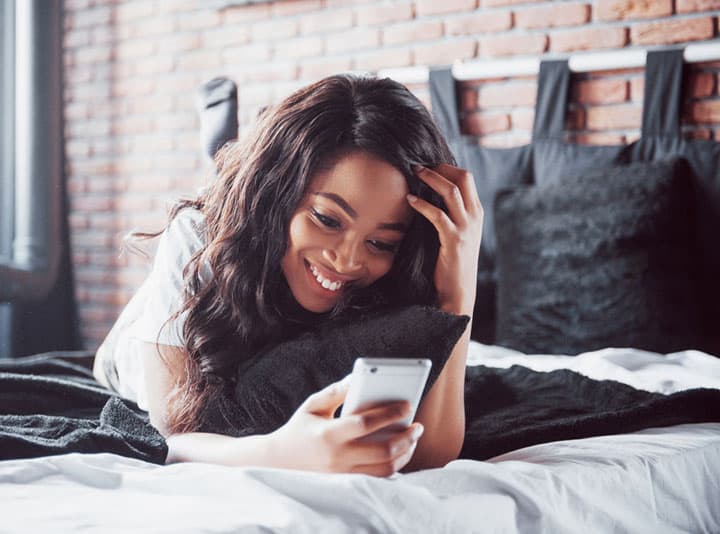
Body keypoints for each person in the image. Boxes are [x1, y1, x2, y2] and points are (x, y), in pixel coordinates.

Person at [93, 74, 483, 477]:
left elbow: (433, 454)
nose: (347, 261)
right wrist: (279, 453)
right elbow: (171, 436)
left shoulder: (389, 278)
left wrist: (458, 292)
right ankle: (224, 153)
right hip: (136, 343)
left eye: (380, 243)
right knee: (220, 218)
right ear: (277, 194)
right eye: (327, 219)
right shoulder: (196, 239)